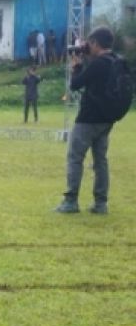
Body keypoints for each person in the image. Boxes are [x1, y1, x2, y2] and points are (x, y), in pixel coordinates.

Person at [55, 27, 124, 214]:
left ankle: (71, 201)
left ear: (95, 43)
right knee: (100, 160)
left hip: (88, 118)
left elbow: (76, 84)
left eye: (89, 43)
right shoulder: (115, 61)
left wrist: (76, 66)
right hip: (107, 119)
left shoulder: (98, 64)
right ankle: (101, 203)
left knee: (75, 157)